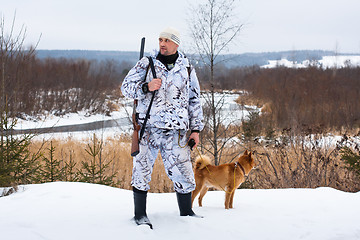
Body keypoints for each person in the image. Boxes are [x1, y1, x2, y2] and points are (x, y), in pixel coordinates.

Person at [121, 27, 204, 228]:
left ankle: (186, 213)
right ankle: (140, 215)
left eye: (167, 40)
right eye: (160, 40)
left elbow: (194, 99)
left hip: (176, 132)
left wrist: (195, 130)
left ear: (176, 44)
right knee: (141, 172)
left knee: (183, 172)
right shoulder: (146, 64)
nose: (162, 44)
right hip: (148, 129)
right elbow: (125, 87)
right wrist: (145, 87)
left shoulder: (187, 68)